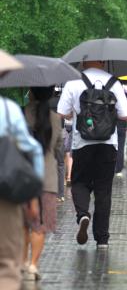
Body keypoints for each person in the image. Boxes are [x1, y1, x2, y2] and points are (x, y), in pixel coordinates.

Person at [57, 60, 127, 249]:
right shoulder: (115, 83)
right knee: (103, 190)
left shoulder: (73, 82)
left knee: (80, 182)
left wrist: (76, 114)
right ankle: (102, 239)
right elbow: (124, 115)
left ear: (83, 62)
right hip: (108, 144)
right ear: (104, 62)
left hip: (82, 143)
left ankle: (82, 215)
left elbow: (62, 112)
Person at [0, 96, 43, 290]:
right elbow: (33, 149)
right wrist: (33, 195)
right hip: (5, 193)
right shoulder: (7, 109)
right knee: (8, 263)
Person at [23, 87, 63, 281]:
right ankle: (33, 265)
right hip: (47, 178)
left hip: (23, 177)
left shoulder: (21, 113)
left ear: (31, 93)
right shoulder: (55, 118)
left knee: (23, 224)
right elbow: (58, 148)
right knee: (39, 225)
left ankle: (21, 263)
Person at [115, 85, 127, 177]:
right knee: (121, 148)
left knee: (113, 147)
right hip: (122, 127)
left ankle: (113, 167)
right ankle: (119, 169)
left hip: (112, 127)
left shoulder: (114, 99)